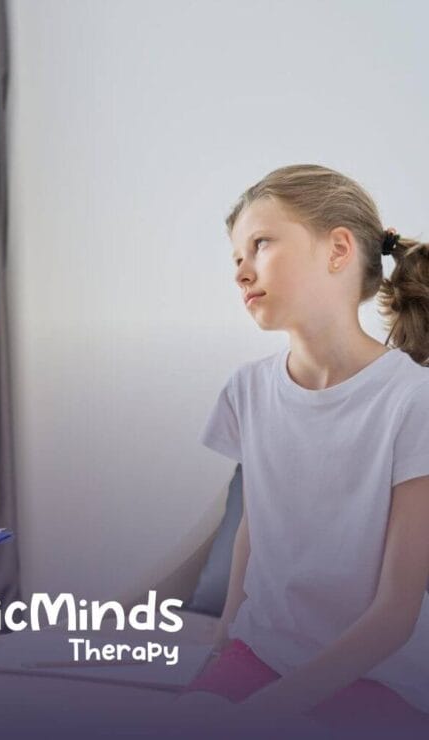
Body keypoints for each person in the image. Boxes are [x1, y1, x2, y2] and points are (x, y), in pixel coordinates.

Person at [176, 165, 429, 739]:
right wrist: (223, 643)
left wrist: (271, 709)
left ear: (338, 248)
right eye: (235, 257)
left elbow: (395, 614)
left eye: (260, 244)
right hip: (261, 654)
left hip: (380, 675)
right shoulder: (247, 390)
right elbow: (252, 527)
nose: (241, 269)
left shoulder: (414, 401)